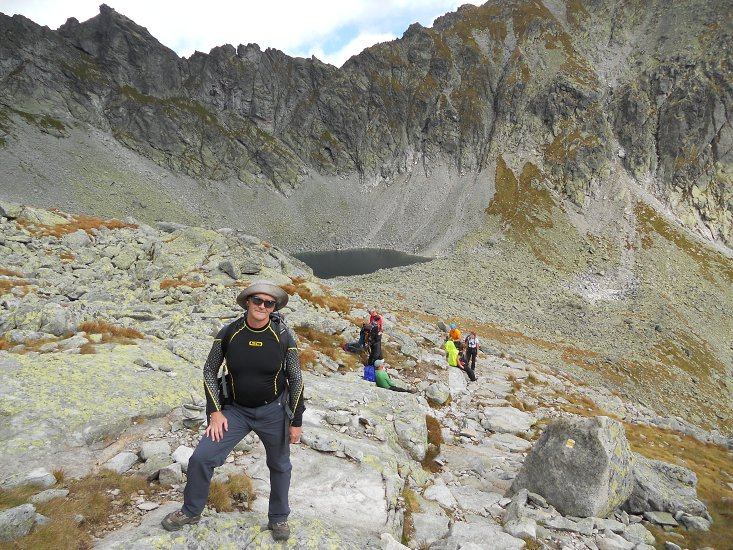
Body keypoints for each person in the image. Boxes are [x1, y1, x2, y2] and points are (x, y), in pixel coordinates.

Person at [162, 281, 305, 542]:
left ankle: (279, 517)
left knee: (280, 465)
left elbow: (295, 378)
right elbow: (209, 370)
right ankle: (191, 510)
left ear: (274, 308)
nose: (262, 306)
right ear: (247, 302)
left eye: (268, 303)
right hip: (235, 412)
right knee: (201, 458)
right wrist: (215, 412)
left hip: (273, 411)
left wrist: (296, 420)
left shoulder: (283, 336)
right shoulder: (230, 332)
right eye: (257, 301)